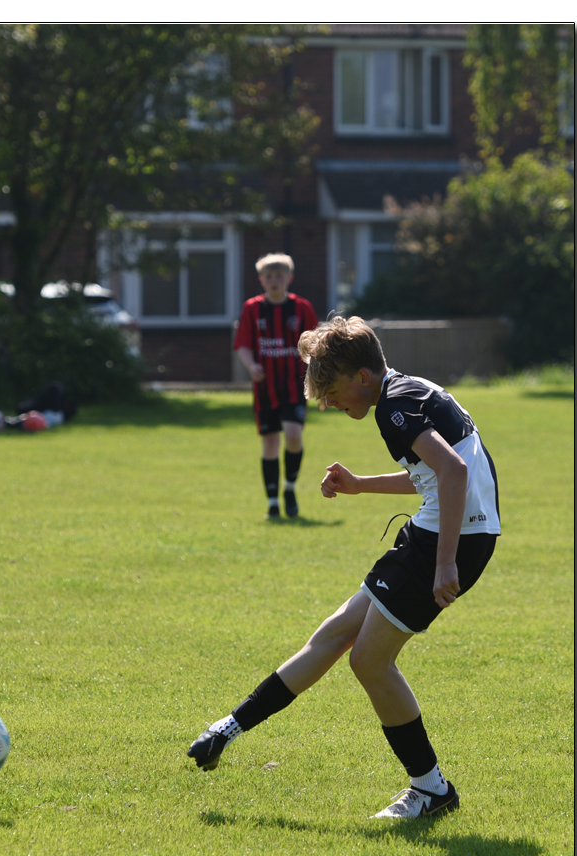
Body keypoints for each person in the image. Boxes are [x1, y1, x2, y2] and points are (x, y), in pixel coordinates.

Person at [188, 316, 501, 819]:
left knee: (369, 662)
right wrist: (360, 485)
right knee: (334, 635)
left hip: (451, 543)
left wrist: (445, 563)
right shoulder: (404, 391)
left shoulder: (394, 405)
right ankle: (225, 730)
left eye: (331, 392)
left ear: (361, 376)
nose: (330, 404)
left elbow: (454, 471)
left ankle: (431, 790)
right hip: (440, 534)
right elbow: (431, 476)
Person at [232, 253, 318, 518]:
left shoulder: (301, 308)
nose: (274, 280)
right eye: (268, 276)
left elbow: (316, 345)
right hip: (264, 387)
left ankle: (289, 488)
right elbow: (243, 344)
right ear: (261, 280)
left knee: (293, 436)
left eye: (279, 275)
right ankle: (272, 503)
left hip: (294, 385)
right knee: (269, 443)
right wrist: (251, 366)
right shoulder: (252, 308)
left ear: (289, 278)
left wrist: (317, 378)